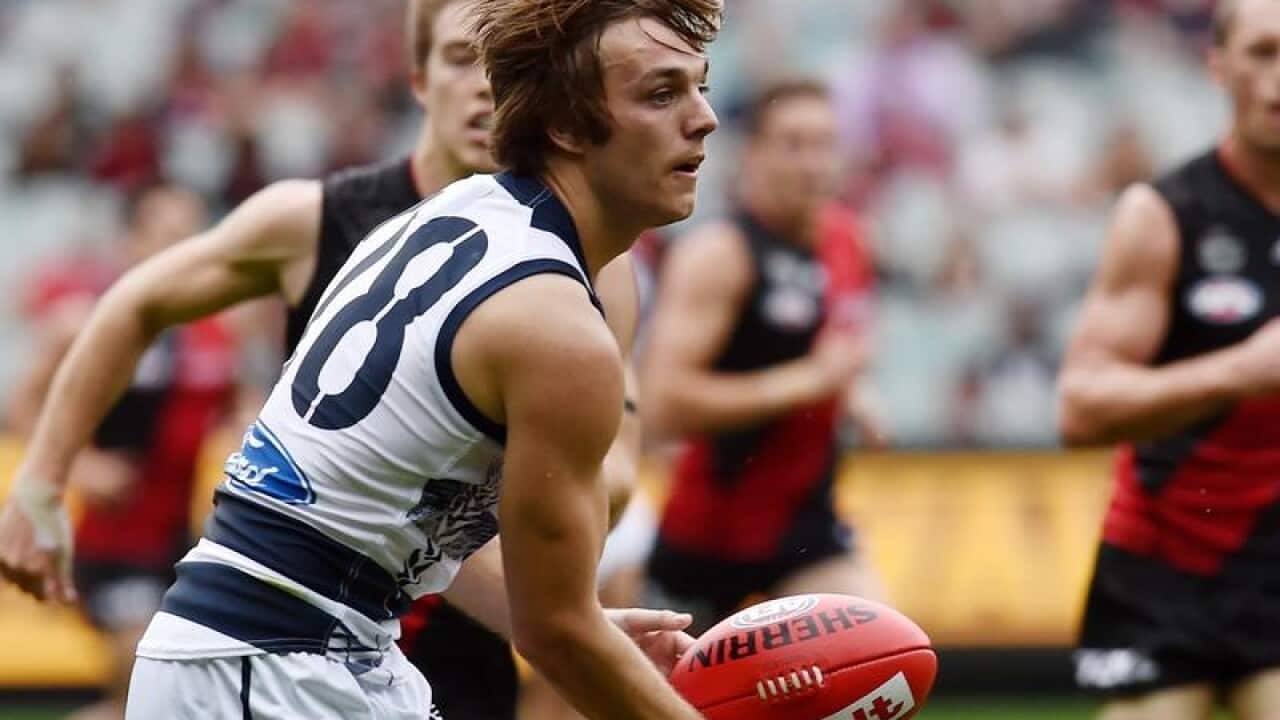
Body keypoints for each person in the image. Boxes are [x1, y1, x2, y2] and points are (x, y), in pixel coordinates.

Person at [0, 0, 721, 717]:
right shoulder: (554, 327)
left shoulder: (451, 215)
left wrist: (586, 629)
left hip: (294, 648)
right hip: (278, 664)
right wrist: (578, 630)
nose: (704, 119)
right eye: (661, 94)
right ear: (562, 123)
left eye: (701, 88)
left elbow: (392, 522)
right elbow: (556, 631)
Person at [1058, 2, 1280, 718]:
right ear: (1219, 67)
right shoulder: (1164, 214)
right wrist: (1242, 372)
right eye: (1262, 52)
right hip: (1166, 568)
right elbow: (1081, 408)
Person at [640, 79, 884, 635]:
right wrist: (807, 382)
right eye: (793, 144)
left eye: (824, 143)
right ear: (752, 154)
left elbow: (833, 350)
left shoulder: (848, 239)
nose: (812, 163)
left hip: (806, 524)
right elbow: (662, 403)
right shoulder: (719, 255)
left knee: (881, 659)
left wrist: (857, 396)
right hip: (710, 533)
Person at [7, 183, 237, 720]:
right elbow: (23, 405)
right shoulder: (88, 322)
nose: (183, 248)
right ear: (132, 241)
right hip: (109, 542)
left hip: (184, 541)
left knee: (167, 698)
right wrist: (83, 466)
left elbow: (236, 406)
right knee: (141, 676)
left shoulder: (215, 331)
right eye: (167, 234)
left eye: (192, 234)